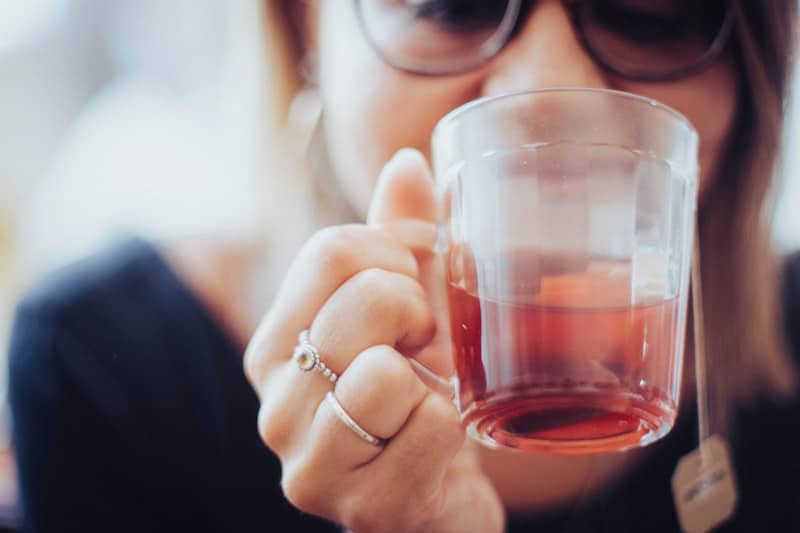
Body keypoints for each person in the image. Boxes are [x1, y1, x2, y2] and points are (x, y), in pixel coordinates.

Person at [8, 0, 800, 531]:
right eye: (453, 1)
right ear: (306, 27)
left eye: (653, 10)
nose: (552, 90)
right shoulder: (100, 375)